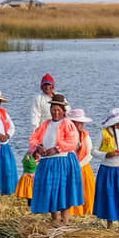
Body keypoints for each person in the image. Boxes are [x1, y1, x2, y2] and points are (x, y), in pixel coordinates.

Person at [28, 94, 83, 223]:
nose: (55, 112)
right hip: (48, 162)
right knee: (51, 190)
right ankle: (55, 219)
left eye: (58, 110)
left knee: (63, 190)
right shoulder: (46, 124)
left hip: (62, 161)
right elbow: (33, 138)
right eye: (53, 109)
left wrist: (57, 148)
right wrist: (38, 147)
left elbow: (73, 141)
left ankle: (65, 219)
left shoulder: (68, 124)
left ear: (63, 111)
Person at [67, 108, 95, 218]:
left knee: (86, 192)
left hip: (83, 168)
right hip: (70, 169)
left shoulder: (85, 136)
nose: (81, 125)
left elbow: (90, 153)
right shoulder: (67, 136)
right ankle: (73, 213)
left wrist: (79, 164)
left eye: (82, 122)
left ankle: (87, 214)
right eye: (78, 122)